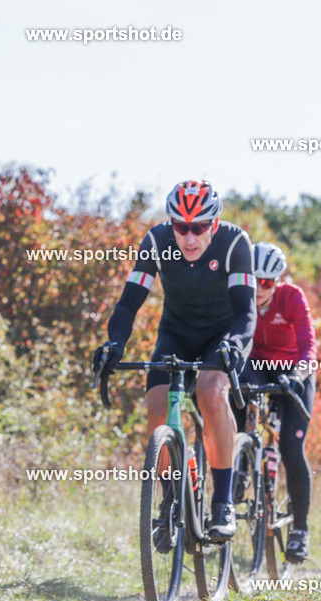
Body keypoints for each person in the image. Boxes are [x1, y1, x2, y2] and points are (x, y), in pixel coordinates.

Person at [93, 180, 256, 544]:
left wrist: (234, 344)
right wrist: (115, 343)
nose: (189, 237)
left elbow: (246, 312)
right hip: (177, 333)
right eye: (181, 227)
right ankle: (170, 499)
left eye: (199, 227)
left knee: (211, 393)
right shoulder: (157, 241)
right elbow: (128, 303)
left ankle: (223, 502)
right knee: (157, 404)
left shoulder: (234, 243)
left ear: (214, 224)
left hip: (223, 334)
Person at [234, 243, 315, 562]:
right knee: (235, 388)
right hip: (256, 365)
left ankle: (300, 530)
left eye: (266, 282)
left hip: (293, 370)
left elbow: (309, 345)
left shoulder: (292, 297)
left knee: (291, 448)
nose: (258, 289)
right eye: (253, 281)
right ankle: (242, 462)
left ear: (277, 281)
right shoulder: (239, 297)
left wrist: (298, 374)